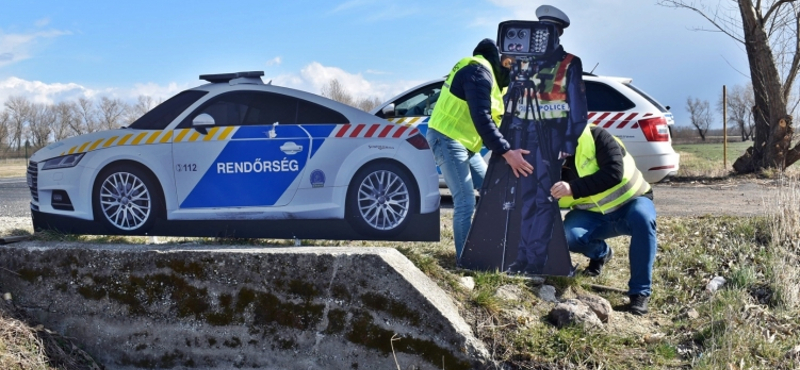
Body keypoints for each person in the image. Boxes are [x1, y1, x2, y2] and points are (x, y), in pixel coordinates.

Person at [426, 39, 533, 262]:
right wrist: (507, 152)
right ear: (502, 61)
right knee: (465, 201)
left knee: (491, 190)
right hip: (447, 138)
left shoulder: (492, 77)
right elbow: (482, 117)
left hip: (466, 144)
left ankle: (489, 245)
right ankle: (466, 260)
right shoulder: (478, 72)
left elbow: (497, 119)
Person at [504, 5, 589, 275]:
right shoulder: (522, 61)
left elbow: (578, 108)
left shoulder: (569, 62)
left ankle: (535, 261)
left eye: (549, 31)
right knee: (526, 200)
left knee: (543, 200)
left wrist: (568, 143)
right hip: (522, 137)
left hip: (549, 139)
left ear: (559, 34)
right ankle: (522, 258)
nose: (543, 36)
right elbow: (511, 100)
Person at [551, 124, 657, 315]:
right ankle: (601, 254)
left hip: (631, 204)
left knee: (643, 219)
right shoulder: (548, 154)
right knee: (568, 236)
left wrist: (573, 188)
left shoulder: (596, 136)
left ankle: (640, 293)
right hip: (592, 214)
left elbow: (614, 172)